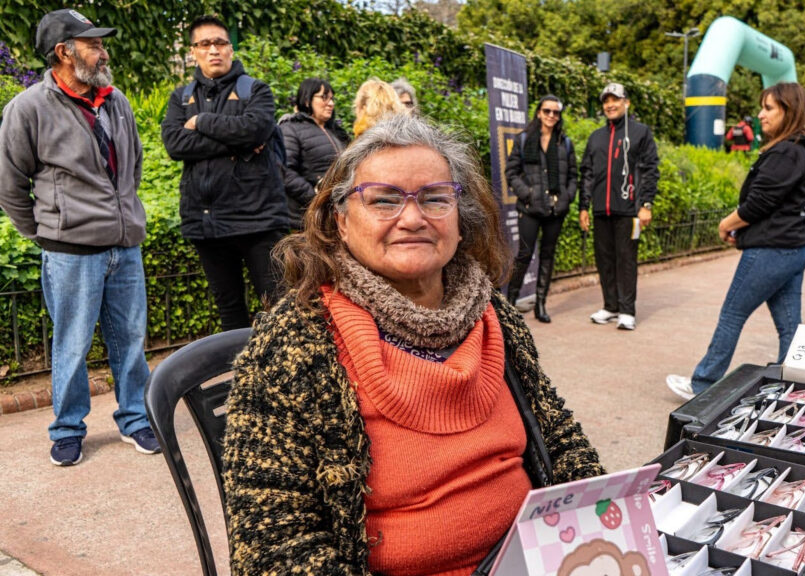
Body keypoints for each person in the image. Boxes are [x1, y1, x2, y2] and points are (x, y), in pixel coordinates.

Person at [221, 115, 603, 574]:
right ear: (340, 222)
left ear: (461, 220)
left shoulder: (494, 315)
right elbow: (273, 549)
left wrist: (601, 530)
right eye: (383, 200)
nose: (412, 218)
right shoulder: (293, 342)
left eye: (435, 198)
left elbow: (560, 440)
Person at [0, 8, 161, 466]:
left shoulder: (117, 100)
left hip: (125, 246)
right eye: (92, 44)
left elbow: (132, 166)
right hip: (71, 253)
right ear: (63, 52)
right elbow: (9, 184)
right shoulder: (28, 108)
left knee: (131, 340)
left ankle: (136, 418)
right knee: (71, 344)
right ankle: (67, 428)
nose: (102, 50)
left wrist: (127, 214)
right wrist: (46, 232)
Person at [666, 82, 805, 399]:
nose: (761, 115)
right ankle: (790, 386)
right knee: (790, 325)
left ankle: (702, 384)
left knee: (733, 314)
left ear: (788, 111)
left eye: (769, 108)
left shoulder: (786, 153)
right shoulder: (795, 151)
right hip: (792, 249)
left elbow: (759, 204)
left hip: (772, 250)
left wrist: (726, 223)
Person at [161, 15, 290, 332]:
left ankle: (278, 375)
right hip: (207, 224)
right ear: (194, 51)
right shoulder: (180, 98)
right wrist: (239, 143)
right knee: (229, 312)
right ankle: (240, 376)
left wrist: (202, 123)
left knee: (277, 309)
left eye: (220, 42)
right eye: (204, 44)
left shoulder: (256, 90)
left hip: (257, 221)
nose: (213, 50)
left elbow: (255, 128)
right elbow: (176, 143)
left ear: (231, 48)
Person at [579, 82, 660, 331]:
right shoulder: (596, 137)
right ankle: (610, 306)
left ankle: (627, 311)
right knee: (604, 259)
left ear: (626, 102)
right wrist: (584, 206)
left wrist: (645, 204)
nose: (610, 105)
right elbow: (587, 173)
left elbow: (650, 170)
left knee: (626, 260)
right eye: (606, 101)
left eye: (615, 99)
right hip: (601, 210)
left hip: (629, 209)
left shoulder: (640, 133)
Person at [504, 95, 578, 323]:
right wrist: (528, 194)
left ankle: (541, 304)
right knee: (524, 255)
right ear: (539, 113)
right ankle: (510, 303)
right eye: (547, 111)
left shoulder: (564, 143)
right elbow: (512, 173)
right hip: (529, 208)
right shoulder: (524, 139)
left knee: (548, 255)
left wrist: (567, 197)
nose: (551, 116)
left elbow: (574, 176)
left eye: (556, 112)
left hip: (556, 210)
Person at [279, 78, 351, 228]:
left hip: (334, 213)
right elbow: (284, 170)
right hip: (304, 218)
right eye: (324, 97)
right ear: (306, 100)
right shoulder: (291, 128)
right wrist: (314, 196)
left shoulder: (335, 132)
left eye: (332, 98)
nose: (330, 103)